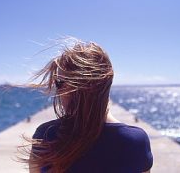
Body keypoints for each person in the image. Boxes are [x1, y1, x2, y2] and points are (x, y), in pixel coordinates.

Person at [23, 40, 153, 173]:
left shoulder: (46, 135)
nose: (59, 91)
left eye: (59, 83)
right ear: (105, 85)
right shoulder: (135, 141)